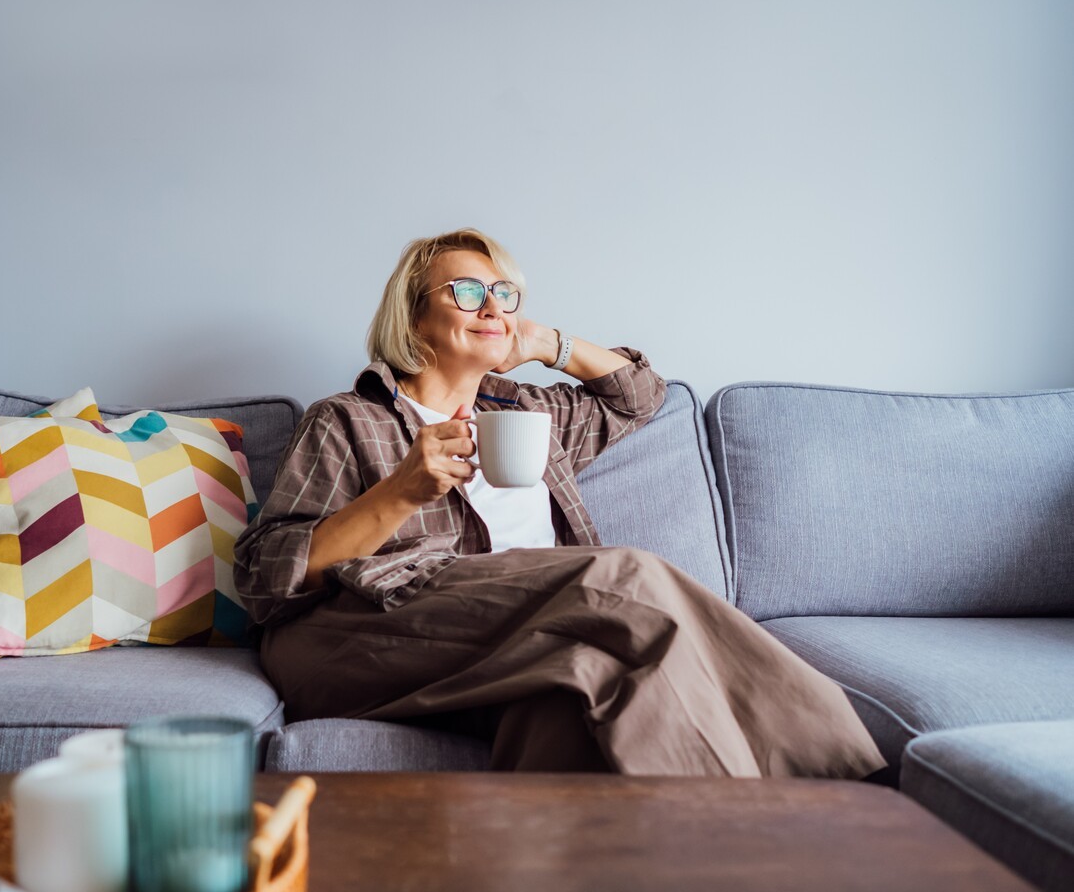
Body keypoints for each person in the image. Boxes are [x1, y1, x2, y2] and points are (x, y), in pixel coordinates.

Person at [233, 228, 886, 777]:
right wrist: (401, 491)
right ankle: (843, 779)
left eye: (504, 294)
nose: (492, 306)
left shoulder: (531, 414)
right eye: (467, 292)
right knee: (623, 576)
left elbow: (639, 394)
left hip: (526, 636)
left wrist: (546, 344)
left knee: (581, 686)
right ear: (412, 316)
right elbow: (264, 582)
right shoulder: (349, 421)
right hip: (362, 633)